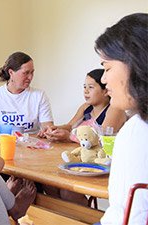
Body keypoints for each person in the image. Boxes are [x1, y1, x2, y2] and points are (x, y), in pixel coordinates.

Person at [94, 13, 148, 225]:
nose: (104, 79)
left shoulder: (137, 131)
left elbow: (132, 217)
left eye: (107, 68)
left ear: (136, 63)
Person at [41, 69, 127, 142]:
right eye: (84, 87)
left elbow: (101, 140)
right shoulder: (85, 107)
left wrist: (69, 137)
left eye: (91, 87)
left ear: (105, 91)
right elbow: (70, 126)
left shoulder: (115, 109)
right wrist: (54, 129)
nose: (86, 91)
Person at [0, 51, 54, 134]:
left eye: (32, 72)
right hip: (3, 144)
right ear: (11, 72)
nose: (30, 77)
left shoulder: (39, 96)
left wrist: (48, 132)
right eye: (26, 73)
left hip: (31, 144)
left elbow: (47, 127)